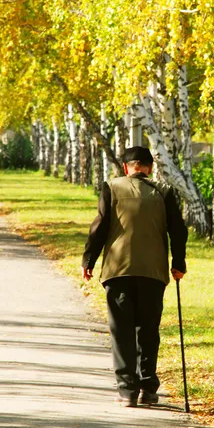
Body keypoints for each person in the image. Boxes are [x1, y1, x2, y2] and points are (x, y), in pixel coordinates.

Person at [81, 146, 188, 407]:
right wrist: (179, 263)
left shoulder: (111, 187)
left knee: (122, 331)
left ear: (126, 167)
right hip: (153, 273)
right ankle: (149, 388)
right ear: (149, 168)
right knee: (148, 330)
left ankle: (127, 391)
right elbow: (178, 230)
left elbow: (100, 227)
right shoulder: (164, 192)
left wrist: (88, 260)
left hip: (118, 272)